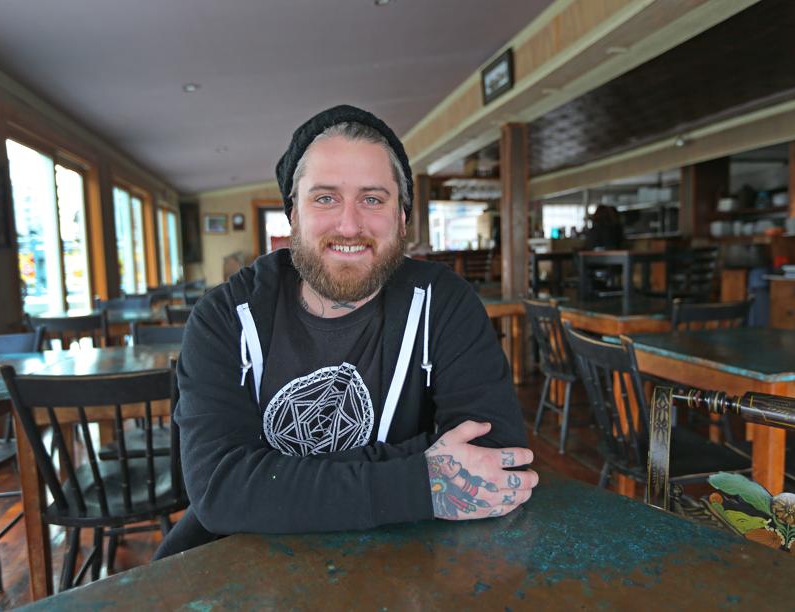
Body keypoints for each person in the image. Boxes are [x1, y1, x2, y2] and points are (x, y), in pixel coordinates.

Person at [155, 105, 536, 558]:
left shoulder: (444, 302)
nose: (350, 225)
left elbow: (496, 454)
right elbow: (220, 491)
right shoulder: (223, 317)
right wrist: (420, 478)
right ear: (293, 214)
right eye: (325, 198)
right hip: (240, 565)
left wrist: (272, 479)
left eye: (372, 199)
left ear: (402, 218)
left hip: (404, 567)